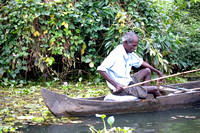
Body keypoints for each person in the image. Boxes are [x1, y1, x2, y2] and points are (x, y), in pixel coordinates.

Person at [97, 31, 162, 98]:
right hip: (122, 88)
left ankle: (142, 93)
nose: (135, 48)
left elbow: (142, 62)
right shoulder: (116, 53)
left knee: (147, 71)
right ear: (125, 42)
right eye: (133, 45)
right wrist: (116, 85)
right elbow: (100, 69)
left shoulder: (129, 52)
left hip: (128, 81)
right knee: (155, 89)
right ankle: (162, 103)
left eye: (136, 46)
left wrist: (157, 72)